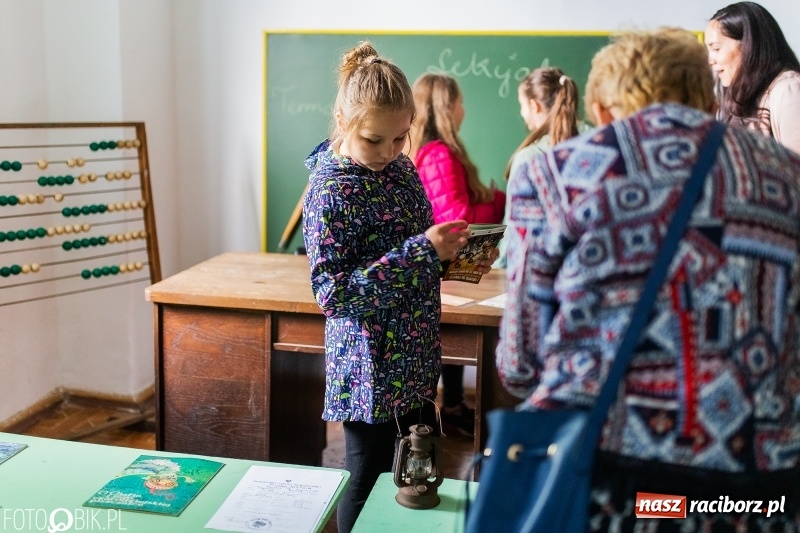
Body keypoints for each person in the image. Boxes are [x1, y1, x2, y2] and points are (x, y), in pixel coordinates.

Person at [497, 27, 800, 532]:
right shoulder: (787, 176)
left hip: (610, 486)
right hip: (756, 495)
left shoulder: (552, 176)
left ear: (604, 111)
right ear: (707, 99)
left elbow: (520, 364)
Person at [301, 42, 495, 533]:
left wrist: (455, 257)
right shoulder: (330, 189)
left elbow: (414, 252)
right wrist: (423, 253)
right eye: (374, 140)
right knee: (366, 472)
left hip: (414, 347)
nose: (389, 152)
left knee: (417, 466)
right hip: (368, 360)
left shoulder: (403, 169)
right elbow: (333, 295)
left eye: (400, 137)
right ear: (343, 121)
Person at [408, 73, 505, 436]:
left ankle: (451, 406)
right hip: (442, 264)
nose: (465, 109)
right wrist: (498, 204)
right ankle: (448, 411)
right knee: (451, 337)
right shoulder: (440, 154)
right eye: (460, 102)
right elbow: (455, 217)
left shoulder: (423, 151)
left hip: (433, 266)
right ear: (447, 108)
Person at [494, 66, 589, 269]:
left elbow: (515, 232)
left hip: (542, 269)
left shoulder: (527, 159)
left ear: (533, 105)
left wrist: (498, 264)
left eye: (522, 106)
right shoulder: (596, 141)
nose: (522, 113)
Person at [706, 1, 800, 153]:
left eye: (716, 49)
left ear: (748, 45)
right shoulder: (734, 96)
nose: (710, 60)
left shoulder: (788, 89)